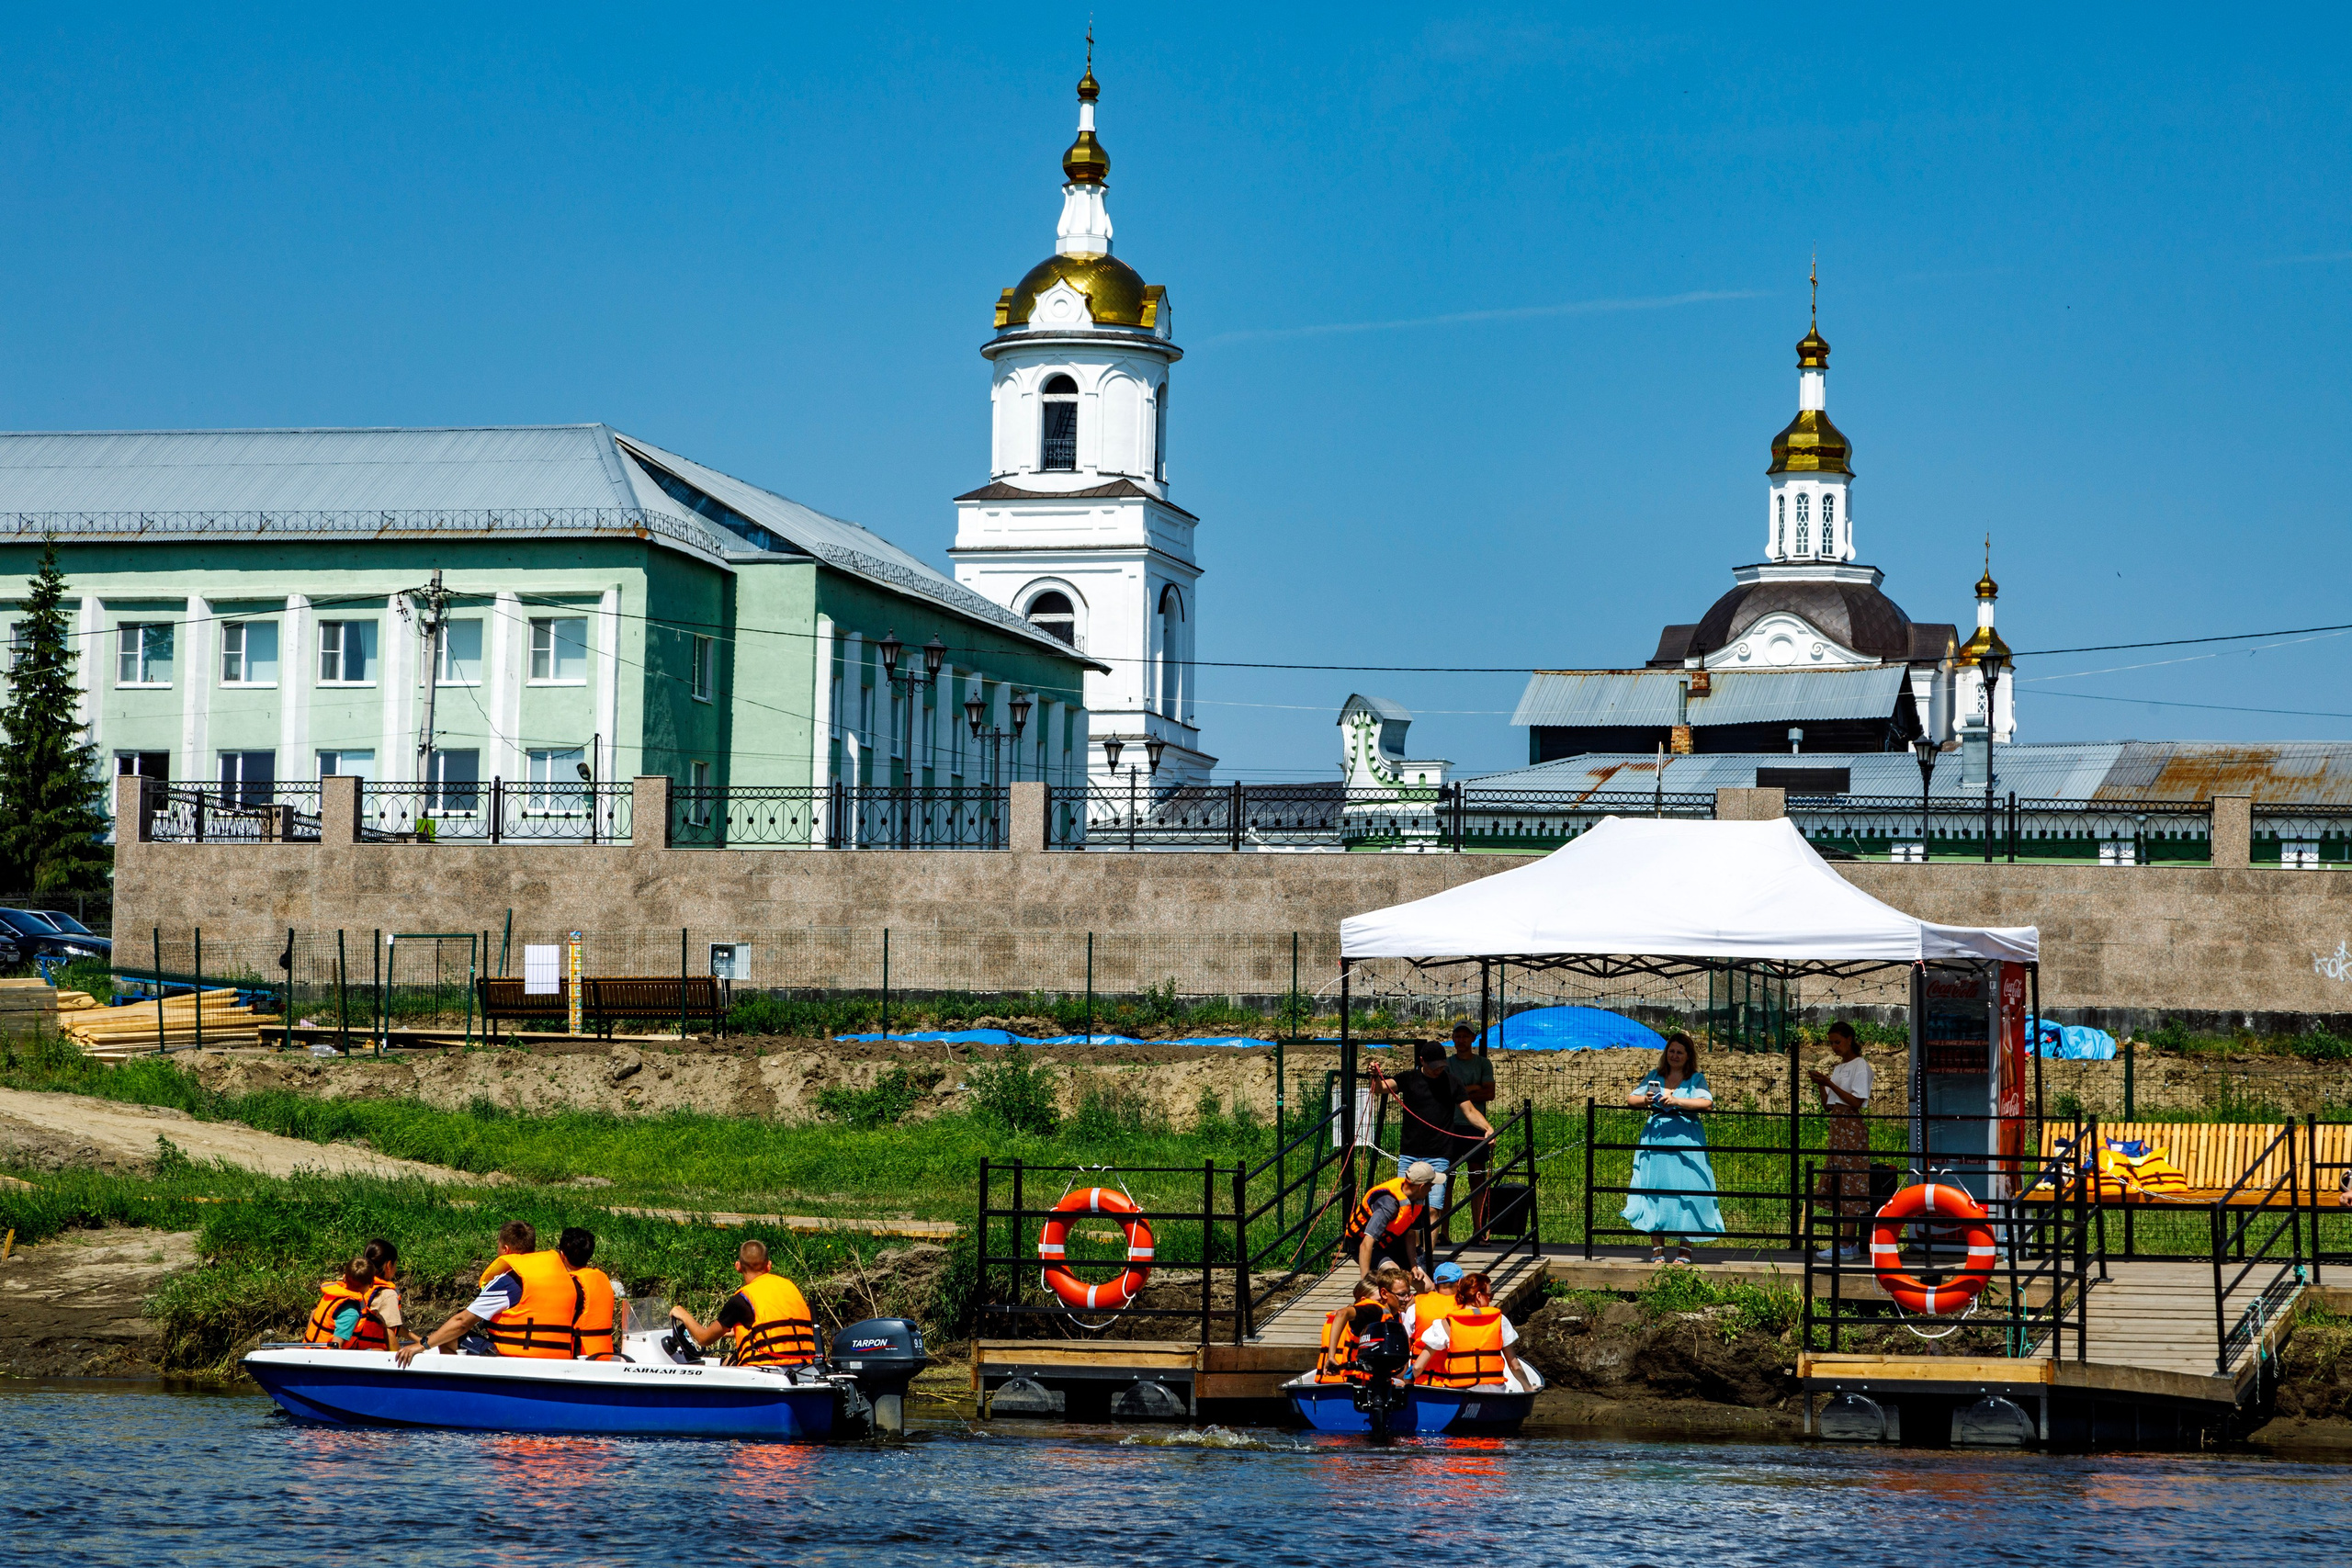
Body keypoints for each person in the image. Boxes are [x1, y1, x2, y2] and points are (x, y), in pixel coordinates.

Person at [399, 1222, 582, 1366]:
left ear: (506, 1250)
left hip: (515, 1358)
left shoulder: (510, 1281)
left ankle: (462, 1395)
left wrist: (422, 1345)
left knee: (450, 1336)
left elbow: (462, 1323)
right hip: (558, 1358)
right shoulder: (562, 1277)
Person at [1621, 1032, 1725, 1265]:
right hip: (1656, 1141)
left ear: (1688, 1056)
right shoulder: (1655, 1076)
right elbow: (1631, 1099)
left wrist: (1676, 1100)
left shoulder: (1695, 1078)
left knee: (1688, 1190)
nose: (1674, 1055)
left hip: (1686, 1141)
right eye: (1671, 1051)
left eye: (1680, 1052)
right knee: (1653, 1189)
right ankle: (1658, 1250)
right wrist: (1648, 1100)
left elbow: (1706, 1103)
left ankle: (1684, 1250)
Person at [1370, 1042, 1495, 1232]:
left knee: (1433, 1210)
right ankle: (1409, 1256)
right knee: (1405, 1208)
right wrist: (1374, 1075)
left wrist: (1488, 1128)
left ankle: (1426, 1258)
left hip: (1439, 1155)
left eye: (1441, 1066)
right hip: (1409, 1155)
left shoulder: (1453, 1082)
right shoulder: (1408, 1078)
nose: (1438, 1071)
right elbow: (1381, 1088)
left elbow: (1469, 1111)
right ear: (1422, 1062)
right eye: (1434, 1067)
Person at [669, 1240, 820, 1366]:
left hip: (767, 1367)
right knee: (728, 1361)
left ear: (738, 1266)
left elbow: (704, 1338)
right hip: (805, 1365)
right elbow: (779, 1327)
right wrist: (739, 1332)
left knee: (725, 1365)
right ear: (769, 1266)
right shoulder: (789, 1287)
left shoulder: (741, 1300)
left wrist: (683, 1314)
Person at [1808, 1021, 1873, 1260]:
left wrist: (1829, 1083)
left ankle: (1848, 1242)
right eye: (1832, 1043)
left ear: (1849, 1039)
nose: (1834, 1047)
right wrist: (1822, 1086)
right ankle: (1845, 1242)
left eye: (1837, 1042)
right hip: (1837, 1125)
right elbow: (1828, 1105)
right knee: (1840, 1181)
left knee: (1851, 1181)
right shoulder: (1839, 1068)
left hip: (1851, 1127)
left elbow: (1856, 1102)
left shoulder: (1860, 1066)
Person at [1412, 1272, 1533, 1392]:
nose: (1490, 1301)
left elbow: (1418, 1367)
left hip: (1460, 1393)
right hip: (1494, 1394)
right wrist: (1528, 1388)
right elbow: (1515, 1366)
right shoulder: (1500, 1320)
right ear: (1479, 1296)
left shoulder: (1447, 1324)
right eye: (1490, 1296)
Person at [1340, 1164, 1437, 1286]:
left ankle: (1405, 1304)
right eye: (1431, 1186)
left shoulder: (1416, 1200)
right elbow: (1366, 1244)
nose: (1431, 1190)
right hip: (1367, 1246)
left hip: (1392, 1244)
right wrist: (1365, 1285)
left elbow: (1410, 1234)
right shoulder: (1389, 1204)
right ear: (1422, 1187)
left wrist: (1413, 1267)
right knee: (1395, 1277)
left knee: (1428, 1287)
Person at [1444, 1024, 1498, 1240]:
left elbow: (1489, 1093)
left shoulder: (1483, 1063)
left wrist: (1463, 1093)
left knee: (1477, 1179)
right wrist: (1474, 1088)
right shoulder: (1447, 1064)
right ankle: (1443, 1232)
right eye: (1457, 1036)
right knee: (1446, 1180)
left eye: (1465, 1036)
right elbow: (1447, 1094)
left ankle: (1479, 1230)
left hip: (1475, 1127)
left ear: (1473, 1039)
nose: (1461, 1040)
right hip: (1450, 1127)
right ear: (1453, 1039)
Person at [303, 1255, 394, 1350]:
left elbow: (314, 1313)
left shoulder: (335, 1295)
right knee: (379, 1351)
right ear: (371, 1283)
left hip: (309, 1349)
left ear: (344, 1278)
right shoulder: (351, 1313)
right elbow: (336, 1346)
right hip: (322, 1358)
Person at [558, 1226, 622, 1361]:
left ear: (562, 1255)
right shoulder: (601, 1279)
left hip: (581, 1358)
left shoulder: (572, 1285)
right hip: (605, 1355)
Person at [1313, 1280, 1382, 1383]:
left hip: (1326, 1380)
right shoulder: (1362, 1321)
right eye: (1379, 1301)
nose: (1383, 1305)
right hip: (1350, 1381)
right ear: (1364, 1300)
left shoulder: (1334, 1319)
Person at [1408, 1260, 1465, 1357]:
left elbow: (1406, 1339)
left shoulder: (1416, 1306)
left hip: (1422, 1369)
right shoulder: (1467, 1307)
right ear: (1460, 1282)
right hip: (1455, 1369)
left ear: (1434, 1284)